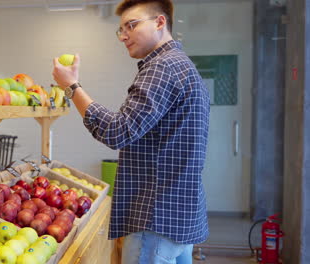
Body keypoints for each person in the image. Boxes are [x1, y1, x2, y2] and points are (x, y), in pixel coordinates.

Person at [52, 0, 210, 263]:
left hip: (155, 218)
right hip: (180, 216)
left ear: (160, 22)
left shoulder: (161, 67)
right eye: (121, 29)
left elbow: (118, 131)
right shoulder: (183, 66)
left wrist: (72, 88)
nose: (123, 36)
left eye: (132, 25)